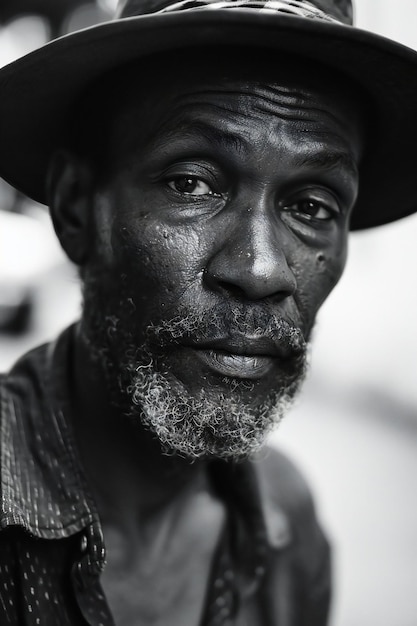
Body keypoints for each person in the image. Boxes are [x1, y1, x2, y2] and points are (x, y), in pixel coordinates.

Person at [1, 1, 417, 624]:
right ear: (77, 208)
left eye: (312, 206)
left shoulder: (288, 527)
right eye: (190, 183)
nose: (258, 271)